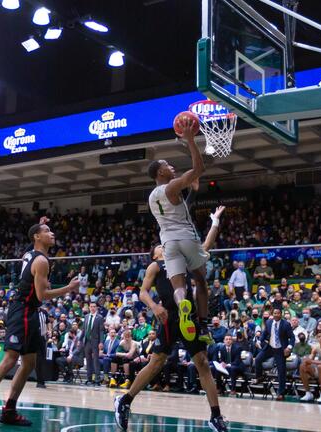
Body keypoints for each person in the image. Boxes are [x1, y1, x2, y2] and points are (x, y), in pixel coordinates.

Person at [115, 204, 227, 431]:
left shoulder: (182, 260)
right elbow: (142, 292)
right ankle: (125, 401)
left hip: (190, 317)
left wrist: (215, 222)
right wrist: (154, 306)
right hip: (167, 316)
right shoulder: (155, 267)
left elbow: (205, 247)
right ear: (156, 254)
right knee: (156, 362)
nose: (162, 247)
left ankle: (216, 416)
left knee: (202, 363)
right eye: (159, 247)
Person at [0, 219, 79, 428]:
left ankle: (9, 409)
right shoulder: (41, 261)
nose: (52, 233)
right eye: (47, 231)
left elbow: (31, 247)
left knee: (28, 362)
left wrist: (38, 225)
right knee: (10, 359)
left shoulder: (32, 254)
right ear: (37, 237)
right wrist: (68, 288)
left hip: (30, 311)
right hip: (22, 310)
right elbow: (42, 294)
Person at [146, 116, 213, 344]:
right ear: (160, 173)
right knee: (201, 281)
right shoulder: (171, 186)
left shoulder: (151, 197)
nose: (171, 167)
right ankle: (203, 325)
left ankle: (182, 303)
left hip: (167, 243)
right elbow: (199, 168)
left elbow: (180, 205)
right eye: (167, 165)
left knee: (179, 287)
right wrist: (190, 140)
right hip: (186, 237)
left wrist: (191, 192)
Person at [254, 308, 295, 400]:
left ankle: (281, 393)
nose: (276, 315)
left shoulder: (286, 324)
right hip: (270, 347)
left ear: (281, 314)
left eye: (278, 313)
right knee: (257, 359)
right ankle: (259, 377)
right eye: (274, 313)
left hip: (281, 349)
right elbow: (264, 334)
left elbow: (292, 338)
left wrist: (289, 348)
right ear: (272, 314)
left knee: (281, 371)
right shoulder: (268, 322)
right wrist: (259, 341)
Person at [299, 331, 321, 403]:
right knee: (302, 366)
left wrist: (312, 362)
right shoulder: (315, 347)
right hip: (318, 369)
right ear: (316, 338)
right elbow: (310, 359)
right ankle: (308, 393)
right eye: (319, 337)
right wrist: (307, 360)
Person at [82, 302, 104, 385]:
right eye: (91, 306)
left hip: (95, 342)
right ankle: (89, 379)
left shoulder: (100, 317)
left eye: (94, 307)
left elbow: (101, 331)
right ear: (89, 308)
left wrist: (101, 342)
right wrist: (80, 340)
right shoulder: (86, 316)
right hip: (87, 341)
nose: (92, 308)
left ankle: (97, 380)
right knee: (88, 361)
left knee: (96, 361)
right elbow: (84, 330)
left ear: (96, 308)